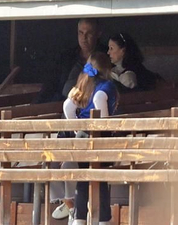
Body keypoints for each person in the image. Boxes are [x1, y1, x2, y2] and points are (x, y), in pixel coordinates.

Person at [62, 52, 117, 225]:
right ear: (107, 68)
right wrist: (103, 132)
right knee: (99, 179)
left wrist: (77, 127)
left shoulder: (83, 85)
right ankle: (103, 220)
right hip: (99, 137)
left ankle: (79, 218)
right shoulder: (106, 86)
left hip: (81, 137)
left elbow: (67, 106)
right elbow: (103, 115)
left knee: (84, 178)